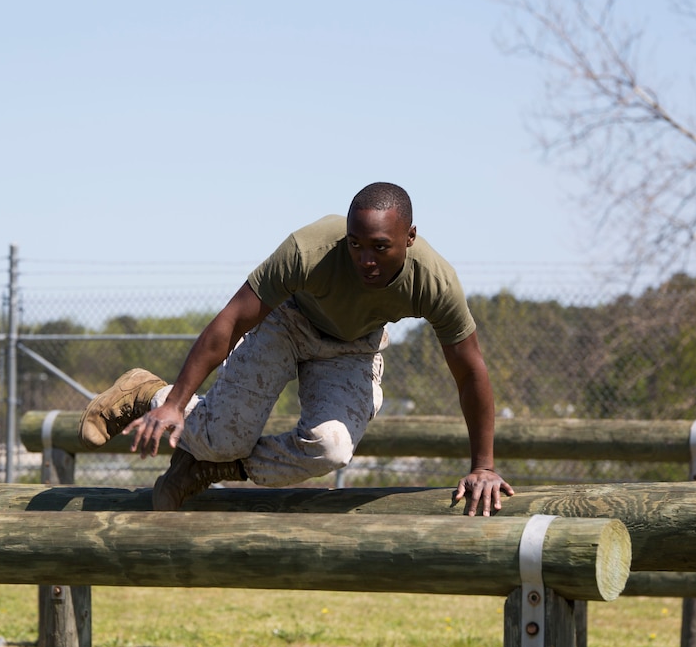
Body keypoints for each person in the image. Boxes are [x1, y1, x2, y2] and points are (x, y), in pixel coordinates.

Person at [78, 182, 514, 514]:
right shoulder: (310, 249)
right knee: (220, 436)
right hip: (288, 323)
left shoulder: (434, 281)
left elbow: (470, 371)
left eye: (381, 248)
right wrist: (173, 404)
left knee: (332, 449)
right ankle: (143, 393)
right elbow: (231, 321)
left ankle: (212, 469)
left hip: (354, 347)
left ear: (410, 237)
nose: (365, 260)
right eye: (356, 245)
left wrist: (483, 466)